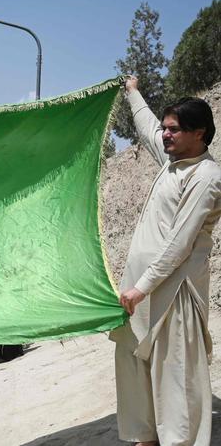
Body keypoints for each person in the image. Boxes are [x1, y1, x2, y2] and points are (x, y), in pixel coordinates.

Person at [110, 76, 221, 446]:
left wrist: (142, 288)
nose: (166, 135)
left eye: (174, 130)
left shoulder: (206, 176)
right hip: (139, 290)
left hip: (175, 293)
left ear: (199, 133)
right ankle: (146, 438)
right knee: (134, 367)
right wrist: (132, 91)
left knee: (175, 377)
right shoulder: (170, 163)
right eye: (166, 129)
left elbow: (179, 244)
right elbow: (146, 128)